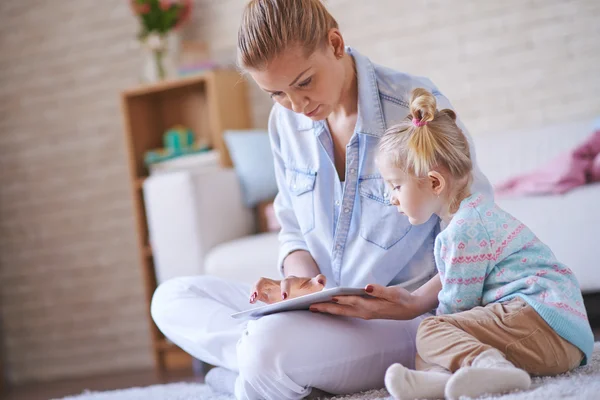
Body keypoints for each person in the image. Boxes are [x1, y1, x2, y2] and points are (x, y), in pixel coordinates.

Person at [150, 1, 491, 399]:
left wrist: (413, 303)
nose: (297, 105)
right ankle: (274, 374)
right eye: (276, 93)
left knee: (266, 349)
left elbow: (475, 227)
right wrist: (299, 283)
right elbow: (292, 228)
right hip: (320, 314)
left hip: (406, 321)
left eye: (304, 82)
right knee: (171, 299)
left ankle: (247, 380)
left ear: (335, 43)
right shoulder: (284, 123)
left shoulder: (413, 109)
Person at [311, 88, 594, 400]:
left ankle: (490, 367)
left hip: (546, 325)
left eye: (396, 186)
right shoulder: (474, 216)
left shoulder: (464, 231)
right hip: (556, 334)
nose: (392, 199)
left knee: (431, 330)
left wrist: (427, 329)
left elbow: (458, 306)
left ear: (434, 183)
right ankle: (440, 382)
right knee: (433, 337)